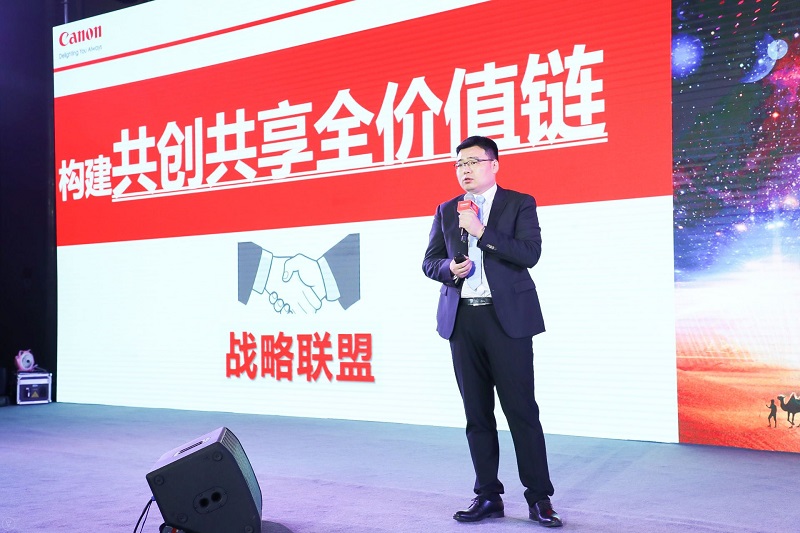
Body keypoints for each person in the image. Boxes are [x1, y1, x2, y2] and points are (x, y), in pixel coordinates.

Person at [422, 136, 562, 527]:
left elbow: (529, 254)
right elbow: (430, 262)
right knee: (477, 414)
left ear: (494, 165)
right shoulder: (447, 209)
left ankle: (539, 498)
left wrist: (481, 232)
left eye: (472, 162)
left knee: (522, 412)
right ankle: (487, 495)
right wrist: (449, 269)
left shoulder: (519, 203)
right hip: (463, 321)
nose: (464, 170)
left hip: (507, 322)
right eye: (459, 164)